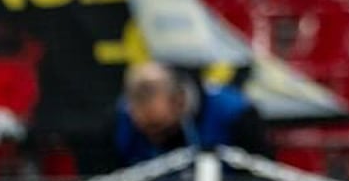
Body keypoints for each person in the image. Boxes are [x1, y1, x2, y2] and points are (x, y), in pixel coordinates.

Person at [112, 61, 271, 166]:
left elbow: (261, 180)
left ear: (179, 101)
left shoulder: (234, 112)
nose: (152, 136)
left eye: (157, 126)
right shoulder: (123, 118)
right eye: (142, 127)